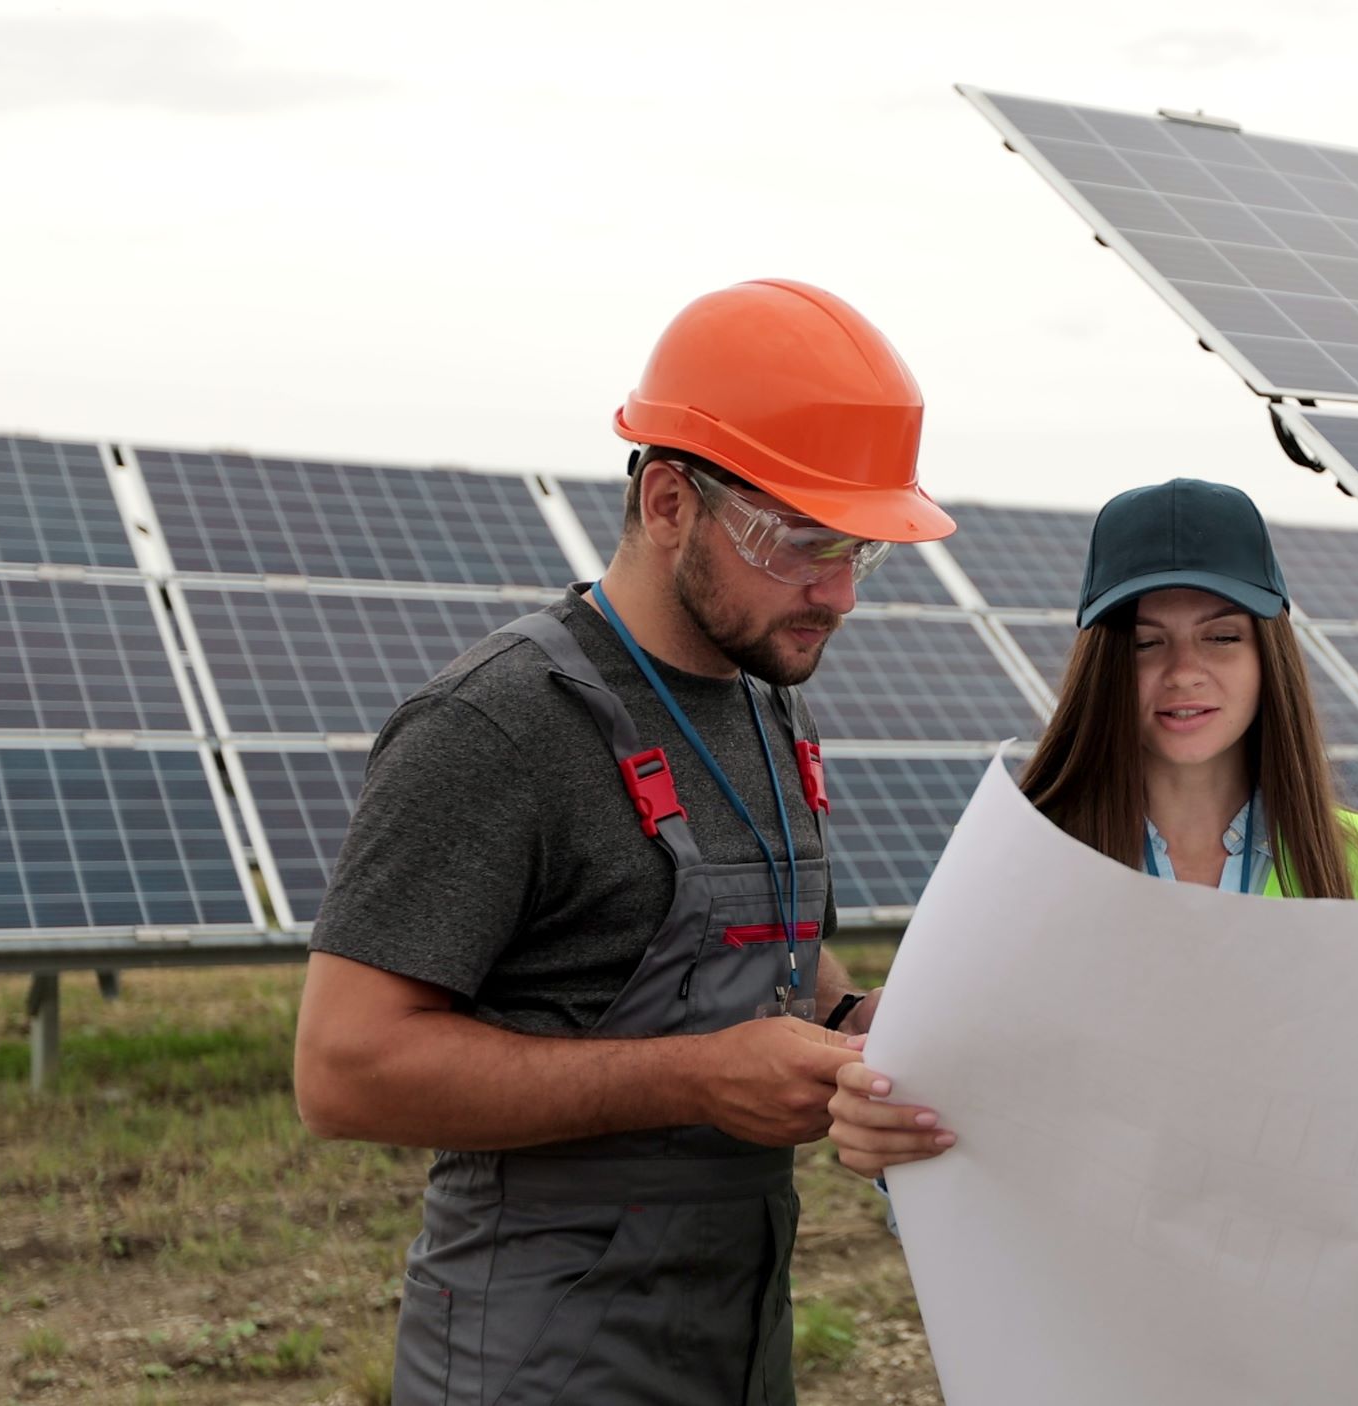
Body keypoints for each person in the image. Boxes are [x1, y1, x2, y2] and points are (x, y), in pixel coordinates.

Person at [291, 279, 952, 1406]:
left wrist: (857, 1021)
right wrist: (697, 1076)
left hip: (735, 1341)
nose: (839, 592)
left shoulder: (765, 700)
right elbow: (343, 1068)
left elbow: (763, 951)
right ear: (666, 502)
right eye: (804, 540)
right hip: (538, 1362)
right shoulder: (496, 726)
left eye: (862, 551)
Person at [826, 478, 1358, 1179]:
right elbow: (953, 1121)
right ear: (1103, 662)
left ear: (1267, 653)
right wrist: (881, 1144)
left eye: (1220, 636)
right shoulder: (1022, 865)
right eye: (1146, 642)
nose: (1184, 674)